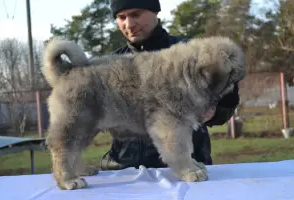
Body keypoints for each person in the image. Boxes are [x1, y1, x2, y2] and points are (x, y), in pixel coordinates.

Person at [100, 0, 240, 170]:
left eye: (136, 14)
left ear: (155, 12)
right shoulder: (110, 64)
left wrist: (215, 107)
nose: (128, 24)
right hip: (123, 172)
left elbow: (225, 105)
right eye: (121, 17)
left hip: (186, 171)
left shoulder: (193, 55)